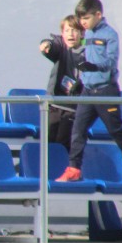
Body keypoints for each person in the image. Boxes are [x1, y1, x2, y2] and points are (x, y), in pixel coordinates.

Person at [57, 0, 122, 183]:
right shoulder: (87, 34)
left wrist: (94, 66)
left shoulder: (110, 35)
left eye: (86, 18)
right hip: (88, 91)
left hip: (106, 90)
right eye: (80, 19)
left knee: (115, 130)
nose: (83, 23)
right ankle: (74, 168)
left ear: (98, 14)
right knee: (78, 129)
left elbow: (111, 62)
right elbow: (74, 43)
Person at [38, 14, 85, 150]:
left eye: (75, 30)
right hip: (54, 106)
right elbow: (53, 46)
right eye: (67, 30)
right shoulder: (61, 47)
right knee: (48, 144)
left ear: (82, 33)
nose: (71, 34)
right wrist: (47, 45)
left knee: (64, 145)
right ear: (62, 33)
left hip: (73, 109)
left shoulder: (87, 52)